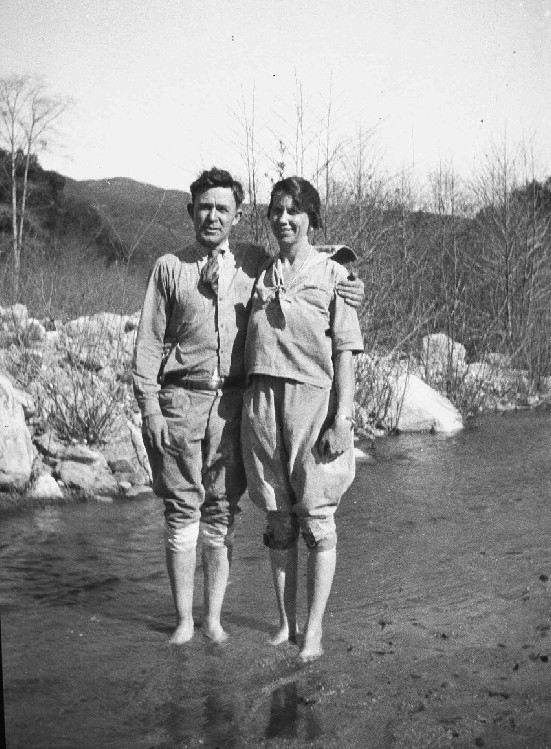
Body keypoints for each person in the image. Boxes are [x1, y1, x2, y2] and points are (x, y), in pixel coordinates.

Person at [132, 167, 364, 645]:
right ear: (191, 211)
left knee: (229, 511)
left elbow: (308, 254)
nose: (213, 216)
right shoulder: (180, 267)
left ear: (237, 216)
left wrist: (350, 277)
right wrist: (150, 407)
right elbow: (148, 345)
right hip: (192, 403)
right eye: (204, 207)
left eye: (223, 208)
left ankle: (229, 622)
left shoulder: (260, 262)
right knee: (189, 511)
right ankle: (191, 622)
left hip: (251, 406)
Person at [241, 176, 364, 661]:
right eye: (276, 210)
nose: (283, 219)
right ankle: (284, 624)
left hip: (313, 405)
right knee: (277, 519)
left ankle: (313, 631)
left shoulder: (335, 276)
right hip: (262, 407)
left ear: (312, 217)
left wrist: (343, 419)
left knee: (317, 520)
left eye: (294, 210)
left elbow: (346, 352)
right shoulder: (259, 271)